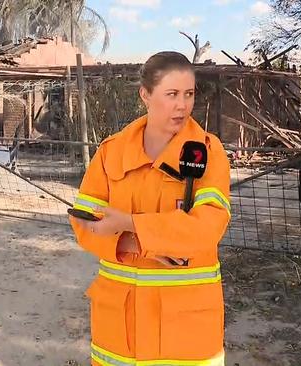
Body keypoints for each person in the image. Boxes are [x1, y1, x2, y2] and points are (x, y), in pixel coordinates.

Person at [70, 51, 231, 366]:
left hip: (185, 334)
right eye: (171, 94)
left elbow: (207, 230)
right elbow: (82, 224)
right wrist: (136, 242)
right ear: (145, 94)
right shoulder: (111, 152)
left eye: (189, 94)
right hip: (120, 333)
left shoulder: (208, 154)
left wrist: (130, 223)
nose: (182, 105)